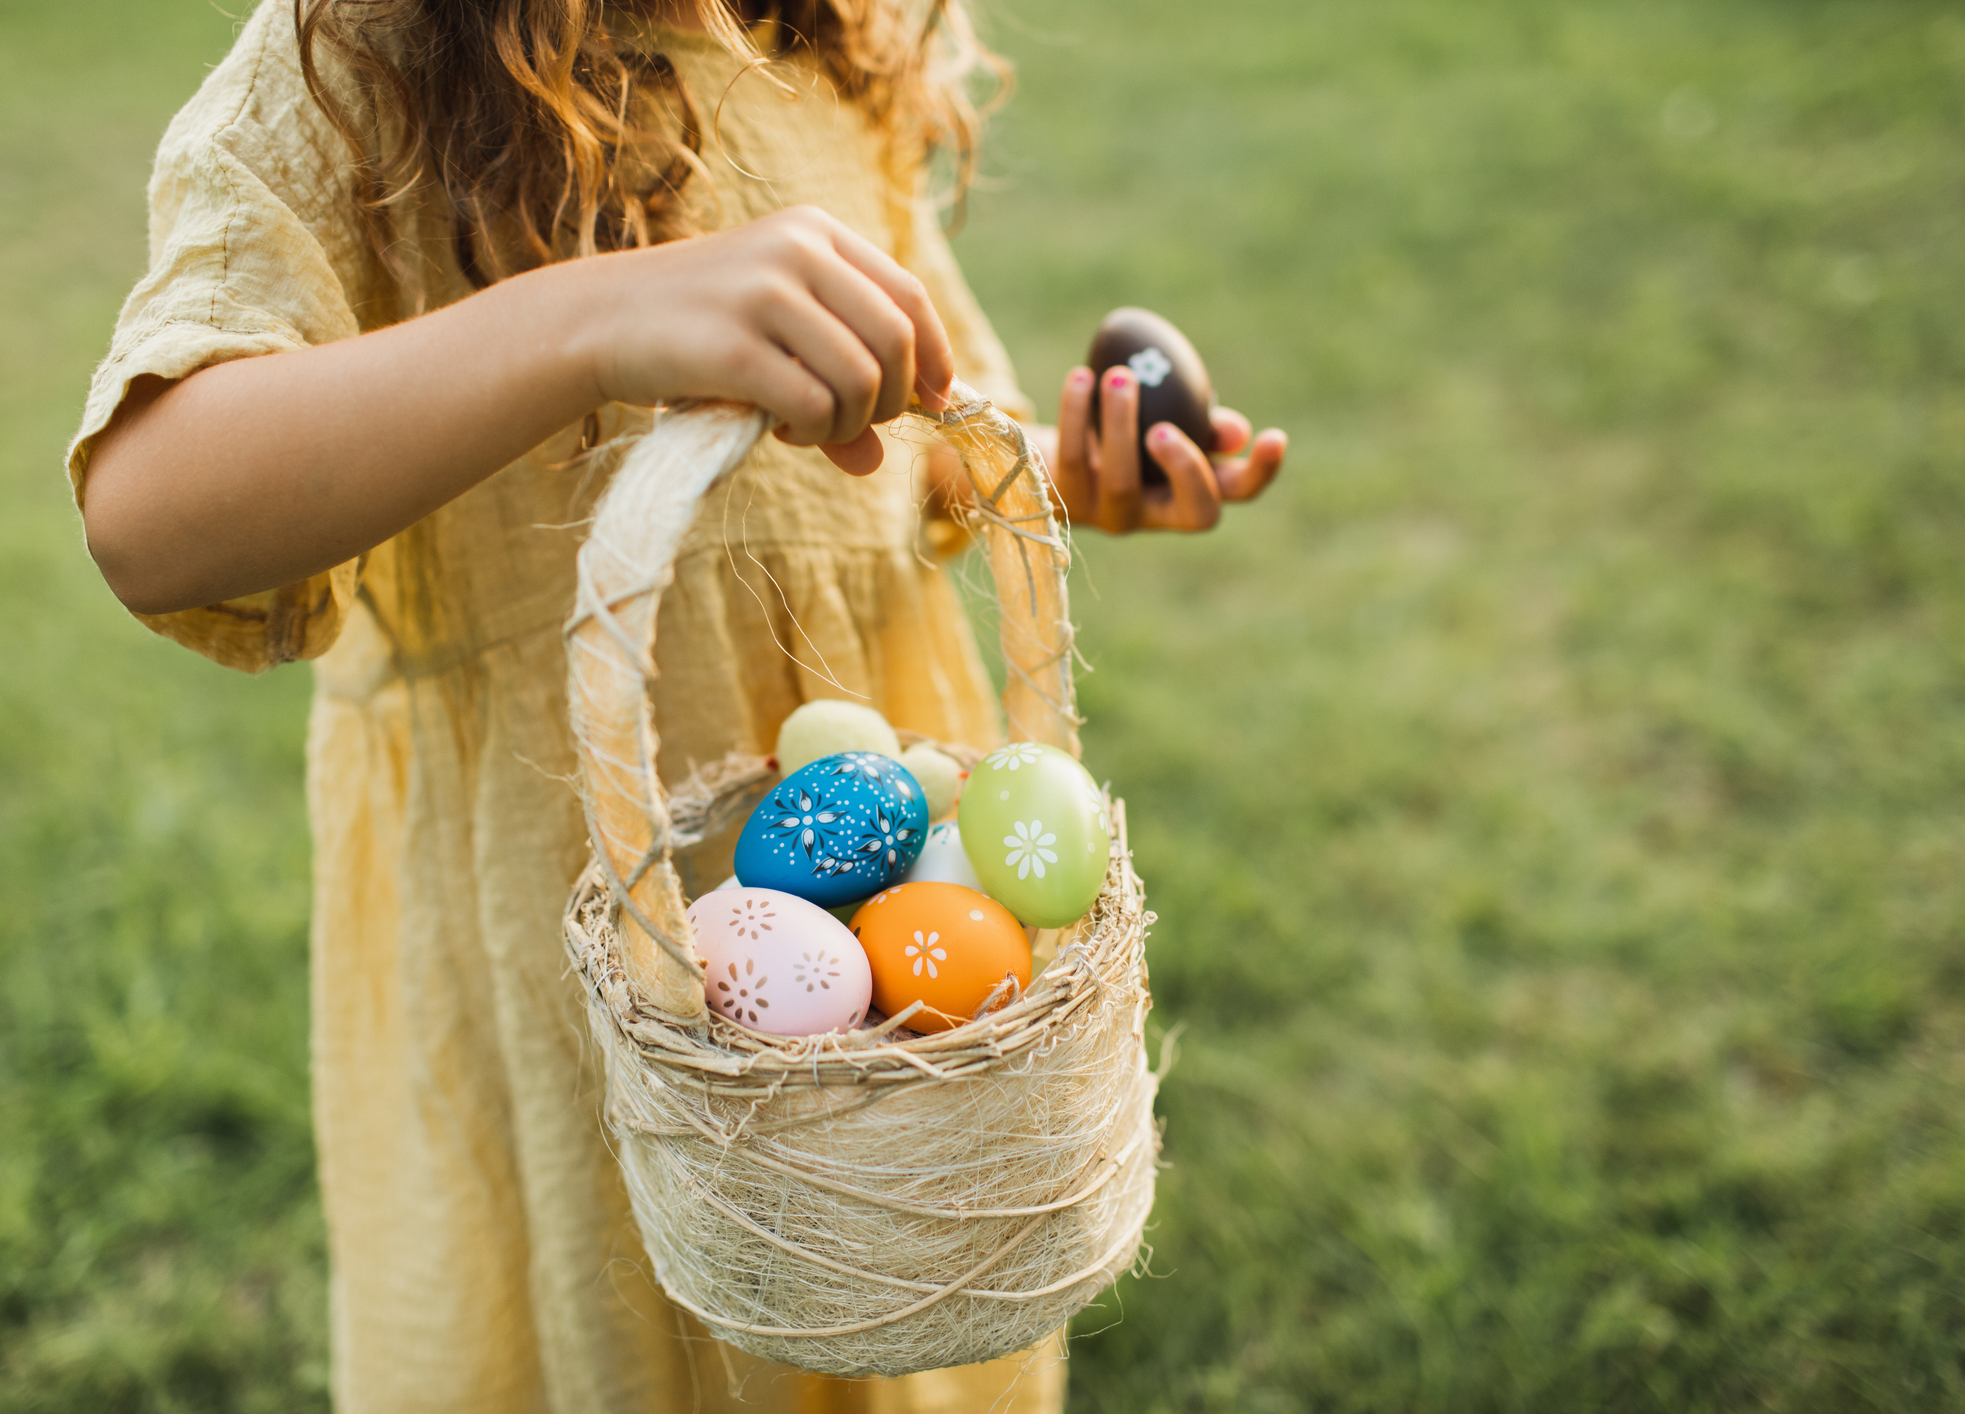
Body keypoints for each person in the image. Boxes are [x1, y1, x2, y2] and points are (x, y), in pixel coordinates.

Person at [69, 1, 1286, 1409]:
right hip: (577, 938)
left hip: (877, 972)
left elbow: (919, 439)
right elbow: (150, 518)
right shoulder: (349, 67)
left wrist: (1070, 480)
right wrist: (586, 321)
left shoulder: (826, 44)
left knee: (884, 1314)